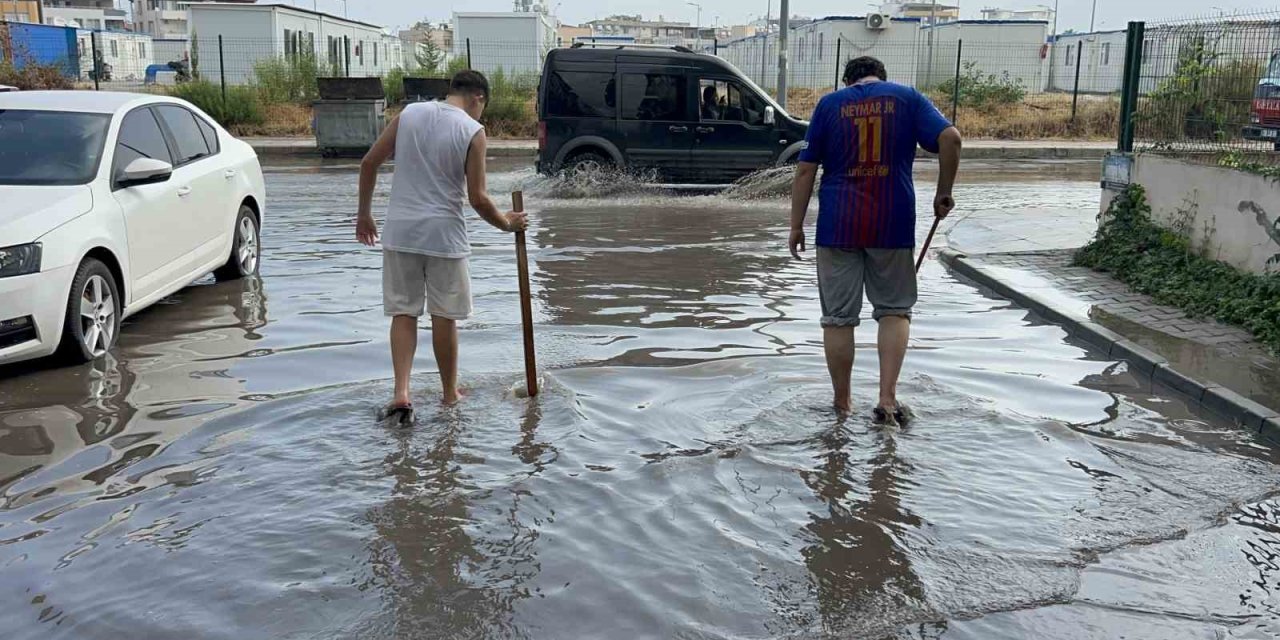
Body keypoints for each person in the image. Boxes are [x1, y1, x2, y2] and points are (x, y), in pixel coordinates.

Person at [788, 56, 962, 423]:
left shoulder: (829, 104)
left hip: (838, 224)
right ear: (881, 77)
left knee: (837, 319)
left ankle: (842, 404)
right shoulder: (907, 98)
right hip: (893, 222)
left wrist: (796, 225)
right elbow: (951, 137)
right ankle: (886, 399)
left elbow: (805, 169)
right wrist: (943, 192)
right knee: (894, 310)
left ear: (848, 80)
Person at [356, 70, 528, 417]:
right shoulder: (472, 131)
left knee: (403, 312)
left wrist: (364, 214)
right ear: (478, 98)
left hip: (400, 231)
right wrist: (506, 224)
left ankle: (401, 394)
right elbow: (478, 198)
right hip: (444, 236)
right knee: (444, 316)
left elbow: (369, 162)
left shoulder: (409, 114)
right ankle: (450, 394)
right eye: (483, 107)